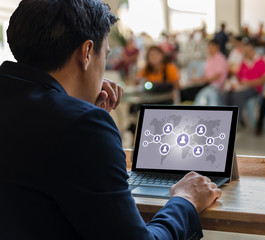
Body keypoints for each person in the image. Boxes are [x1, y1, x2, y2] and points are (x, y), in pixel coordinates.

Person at [0, 1, 222, 240]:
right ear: (86, 53)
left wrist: (78, 108)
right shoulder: (83, 126)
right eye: (104, 56)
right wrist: (185, 200)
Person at [224, 38, 265, 126]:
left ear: (252, 49)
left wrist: (248, 83)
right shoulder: (244, 62)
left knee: (238, 95)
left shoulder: (261, 61)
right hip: (242, 86)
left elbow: (264, 79)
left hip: (255, 88)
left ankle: (238, 120)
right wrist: (234, 79)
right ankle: (228, 117)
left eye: (246, 50)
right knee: (227, 93)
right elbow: (240, 77)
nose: (244, 52)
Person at [192, 39, 228, 106]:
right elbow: (206, 74)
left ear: (217, 47)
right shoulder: (209, 59)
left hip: (217, 86)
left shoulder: (220, 58)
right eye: (208, 47)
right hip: (208, 84)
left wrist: (201, 80)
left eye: (212, 47)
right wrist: (197, 79)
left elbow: (217, 75)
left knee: (202, 97)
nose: (209, 49)